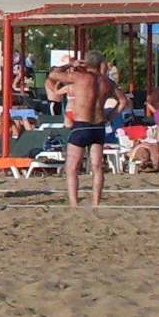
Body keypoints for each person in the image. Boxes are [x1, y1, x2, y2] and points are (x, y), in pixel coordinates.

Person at [47, 53, 114, 205]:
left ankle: (74, 203)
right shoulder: (106, 82)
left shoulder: (79, 78)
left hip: (82, 125)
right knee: (97, 167)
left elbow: (52, 75)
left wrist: (70, 65)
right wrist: (109, 116)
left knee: (71, 167)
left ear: (85, 63)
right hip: (99, 126)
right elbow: (122, 101)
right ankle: (96, 203)